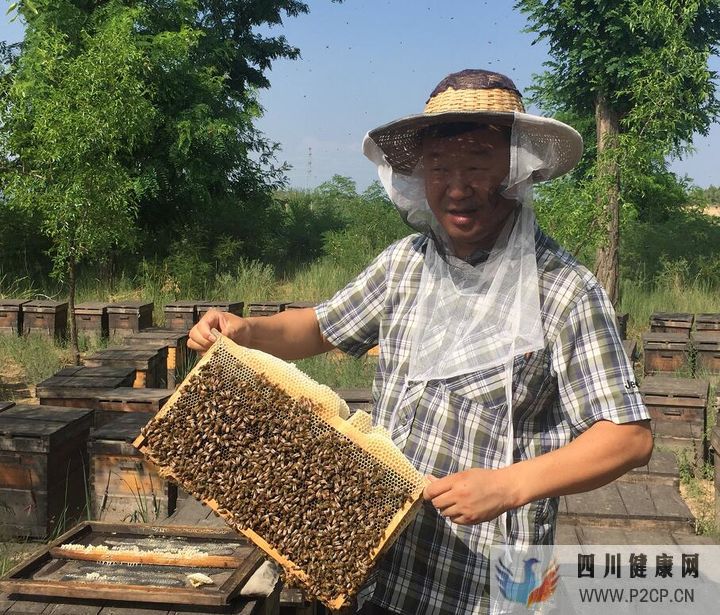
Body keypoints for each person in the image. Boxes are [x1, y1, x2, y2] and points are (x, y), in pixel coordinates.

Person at [188, 69, 653, 615]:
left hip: (492, 580)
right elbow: (319, 326)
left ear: (515, 171)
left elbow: (626, 437)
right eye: (440, 167)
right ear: (418, 175)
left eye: (477, 164)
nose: (457, 185)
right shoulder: (406, 264)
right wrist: (250, 332)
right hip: (379, 559)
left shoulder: (564, 289)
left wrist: (508, 486)